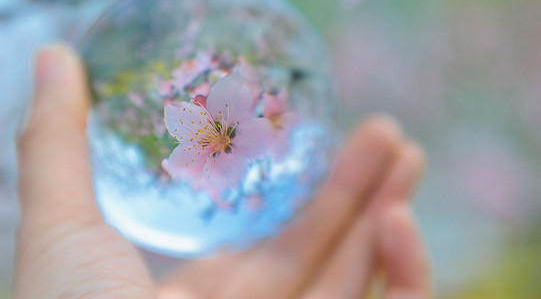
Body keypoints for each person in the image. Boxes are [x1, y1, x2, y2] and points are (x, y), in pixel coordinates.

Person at [15, 44, 431, 299]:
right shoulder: (204, 147)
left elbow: (248, 145)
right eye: (209, 135)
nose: (211, 137)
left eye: (215, 134)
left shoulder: (242, 126)